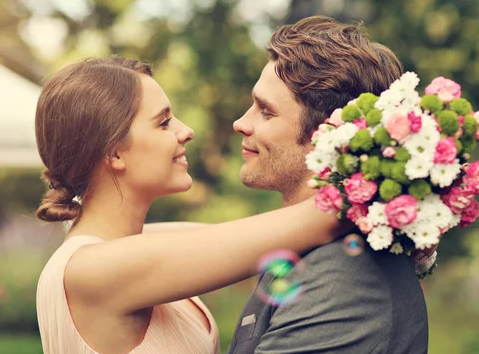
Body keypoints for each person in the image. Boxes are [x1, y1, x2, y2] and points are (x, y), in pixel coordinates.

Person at [34, 56, 348, 354]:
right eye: (164, 123)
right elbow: (326, 215)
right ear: (115, 153)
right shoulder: (92, 270)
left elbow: (256, 235)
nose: (186, 131)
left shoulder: (123, 246)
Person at [226, 16, 430, 354]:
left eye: (265, 111)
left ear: (327, 136)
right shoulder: (309, 248)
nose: (239, 123)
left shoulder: (346, 283)